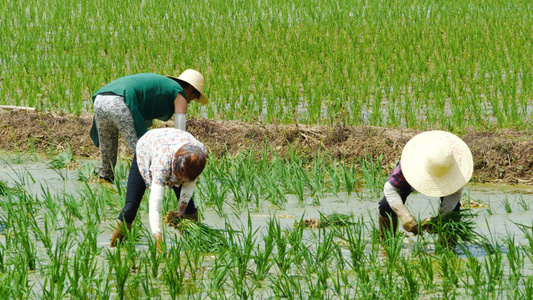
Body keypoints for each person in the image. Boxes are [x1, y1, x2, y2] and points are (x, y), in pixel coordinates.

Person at [90, 70, 208, 182]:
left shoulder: (163, 85)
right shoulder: (179, 93)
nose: (190, 102)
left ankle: (105, 181)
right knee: (142, 151)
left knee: (108, 148)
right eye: (194, 98)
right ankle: (148, 184)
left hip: (100, 99)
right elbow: (179, 134)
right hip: (121, 101)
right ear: (190, 90)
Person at [110, 128, 207, 251]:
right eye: (181, 178)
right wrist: (159, 242)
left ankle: (194, 247)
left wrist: (182, 207)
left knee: (189, 210)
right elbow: (155, 207)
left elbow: (190, 182)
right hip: (147, 149)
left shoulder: (199, 155)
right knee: (130, 208)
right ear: (175, 169)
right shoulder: (161, 164)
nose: (183, 181)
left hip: (175, 149)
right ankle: (115, 250)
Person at [378, 130, 473, 246]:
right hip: (415, 172)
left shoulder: (457, 169)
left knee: (451, 215)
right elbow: (390, 189)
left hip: (446, 174)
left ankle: (448, 248)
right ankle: (387, 244)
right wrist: (404, 215)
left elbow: (454, 195)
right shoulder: (409, 163)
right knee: (386, 205)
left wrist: (440, 220)